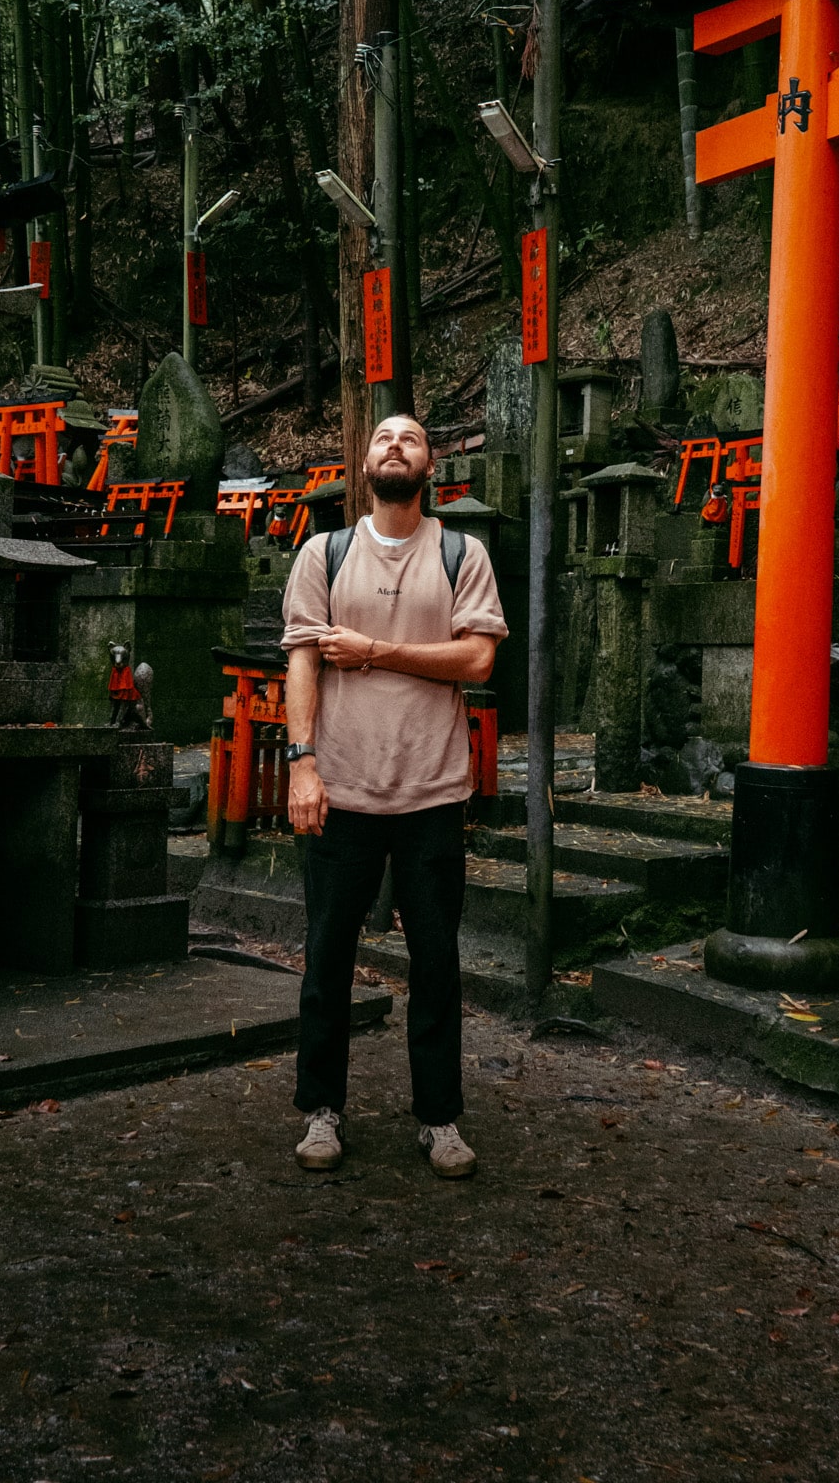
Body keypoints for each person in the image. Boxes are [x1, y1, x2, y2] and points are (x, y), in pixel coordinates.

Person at [280, 414, 508, 1177]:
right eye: (382, 438)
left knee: (436, 962)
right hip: (341, 789)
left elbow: (477, 660)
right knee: (326, 961)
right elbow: (303, 663)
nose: (394, 447)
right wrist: (302, 763)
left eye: (408, 439)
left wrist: (377, 651)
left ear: (429, 463)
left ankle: (439, 1119)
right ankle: (321, 1111)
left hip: (432, 792)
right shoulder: (323, 552)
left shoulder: (459, 552)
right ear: (364, 461)